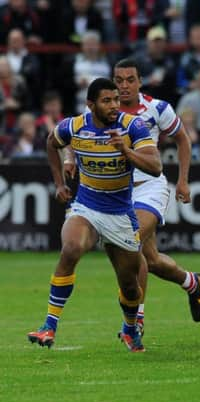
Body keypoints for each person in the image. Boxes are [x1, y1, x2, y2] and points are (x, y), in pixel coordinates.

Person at [27, 77, 161, 352]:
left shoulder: (132, 126)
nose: (114, 105)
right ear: (91, 105)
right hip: (86, 207)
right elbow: (52, 143)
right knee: (72, 247)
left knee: (131, 286)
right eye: (107, 100)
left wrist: (126, 150)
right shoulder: (74, 126)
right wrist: (60, 184)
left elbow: (156, 166)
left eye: (116, 99)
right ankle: (48, 326)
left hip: (121, 216)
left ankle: (129, 328)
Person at [110, 58, 200, 334]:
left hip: (150, 187)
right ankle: (191, 282)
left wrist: (183, 181)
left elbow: (183, 139)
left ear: (140, 81)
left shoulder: (156, 108)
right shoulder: (104, 108)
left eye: (130, 80)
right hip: (119, 193)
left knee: (132, 241)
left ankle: (136, 320)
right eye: (119, 80)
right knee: (150, 260)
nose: (124, 86)